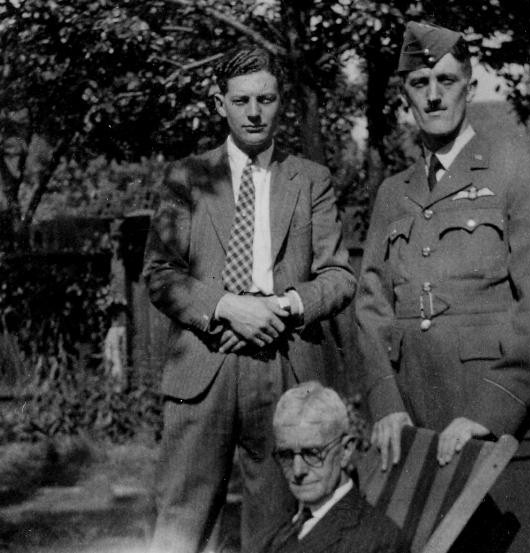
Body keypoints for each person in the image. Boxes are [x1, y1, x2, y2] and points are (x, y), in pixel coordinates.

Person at [355, 21, 530, 553]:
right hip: (415, 441)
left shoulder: (519, 173)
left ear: (470, 88)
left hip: (503, 436)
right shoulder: (392, 194)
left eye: (446, 80)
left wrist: (487, 414)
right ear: (405, 95)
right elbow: (370, 307)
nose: (433, 94)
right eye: (420, 82)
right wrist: (386, 405)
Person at [143, 45, 356, 553]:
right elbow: (159, 273)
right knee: (182, 520)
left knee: (281, 524)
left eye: (266, 98)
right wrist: (226, 306)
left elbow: (338, 276)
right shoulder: (187, 178)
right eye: (241, 101)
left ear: (281, 102)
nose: (254, 112)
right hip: (203, 366)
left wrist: (284, 306)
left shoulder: (310, 179)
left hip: (284, 364)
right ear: (220, 104)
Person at [260, 381, 408, 553]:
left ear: (346, 450)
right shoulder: (278, 533)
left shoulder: (378, 541)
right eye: (286, 455)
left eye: (312, 454)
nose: (298, 470)